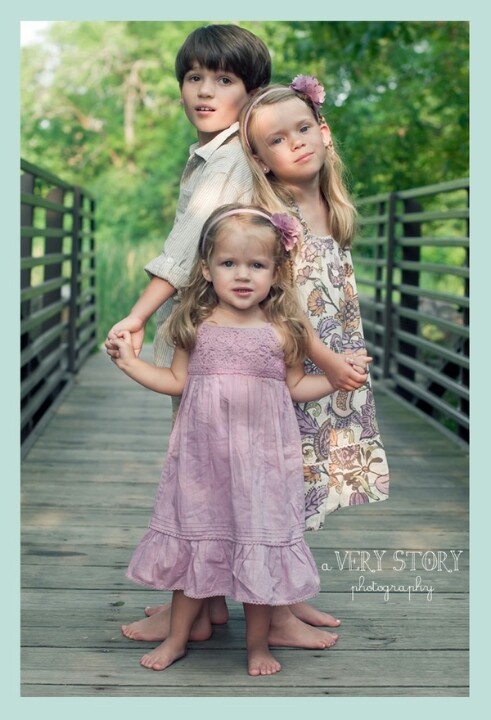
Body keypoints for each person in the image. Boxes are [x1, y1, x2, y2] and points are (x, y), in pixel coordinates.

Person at [106, 26, 369, 647]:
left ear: (249, 93)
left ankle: (259, 607)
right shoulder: (216, 153)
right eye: (193, 78)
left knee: (234, 473)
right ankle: (210, 606)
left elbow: (181, 250)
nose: (204, 91)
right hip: (218, 331)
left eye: (224, 80)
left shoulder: (228, 156)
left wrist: (139, 314)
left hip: (240, 336)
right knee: (220, 469)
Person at [111, 204, 339, 674]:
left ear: (276, 273)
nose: (242, 275)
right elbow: (177, 382)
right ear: (206, 268)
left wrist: (338, 378)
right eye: (228, 263)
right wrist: (131, 365)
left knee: (258, 545)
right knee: (197, 538)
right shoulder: (195, 324)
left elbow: (297, 388)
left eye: (256, 265)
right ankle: (178, 638)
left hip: (263, 464)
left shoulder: (282, 330)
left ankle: (258, 647)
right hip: (203, 461)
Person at [239, 75, 390, 530]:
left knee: (315, 473)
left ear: (323, 132)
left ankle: (291, 591)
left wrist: (337, 362)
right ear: (261, 161)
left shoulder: (333, 207)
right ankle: (277, 598)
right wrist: (326, 361)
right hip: (297, 364)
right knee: (285, 471)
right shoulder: (276, 219)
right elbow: (284, 305)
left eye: (303, 129)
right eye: (277, 140)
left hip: (331, 361)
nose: (297, 143)